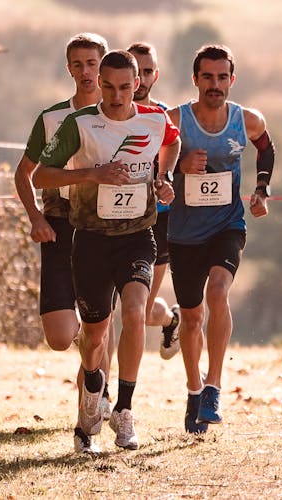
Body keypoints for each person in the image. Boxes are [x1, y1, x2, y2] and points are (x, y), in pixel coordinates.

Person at [33, 50, 180, 450]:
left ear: (138, 85)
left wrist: (162, 177)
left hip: (137, 236)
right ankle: (91, 396)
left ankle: (125, 411)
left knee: (134, 312)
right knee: (95, 337)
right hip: (91, 241)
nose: (117, 96)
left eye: (126, 87)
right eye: (109, 87)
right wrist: (92, 174)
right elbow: (41, 176)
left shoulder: (153, 118)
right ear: (99, 83)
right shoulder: (78, 124)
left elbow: (172, 140)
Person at [165, 44, 274, 434]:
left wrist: (261, 189)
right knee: (192, 318)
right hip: (182, 233)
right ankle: (194, 389)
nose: (215, 84)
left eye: (222, 77)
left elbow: (265, 146)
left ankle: (214, 387)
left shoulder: (247, 120)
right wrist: (179, 164)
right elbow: (152, 163)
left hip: (228, 225)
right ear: (195, 79)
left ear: (232, 79)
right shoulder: (174, 120)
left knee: (218, 293)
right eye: (207, 77)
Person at [12, 32, 111, 453]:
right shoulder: (52, 119)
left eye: (93, 63)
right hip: (57, 225)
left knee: (96, 331)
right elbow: (24, 173)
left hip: (104, 228)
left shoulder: (123, 116)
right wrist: (35, 217)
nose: (86, 72)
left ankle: (86, 424)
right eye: (78, 64)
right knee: (59, 336)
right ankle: (94, 375)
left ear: (104, 65)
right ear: (68, 68)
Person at [127, 42, 181, 360]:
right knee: (107, 309)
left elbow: (175, 151)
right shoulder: (105, 114)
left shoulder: (160, 116)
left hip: (157, 220)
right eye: (137, 70)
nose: (141, 78)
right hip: (113, 218)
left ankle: (172, 320)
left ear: (155, 75)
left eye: (147, 71)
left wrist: (167, 178)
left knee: (143, 312)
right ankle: (102, 388)